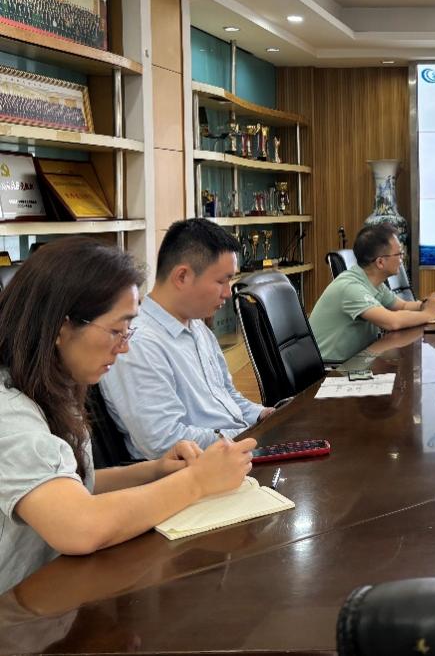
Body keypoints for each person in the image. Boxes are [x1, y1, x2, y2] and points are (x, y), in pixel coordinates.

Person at [0, 238, 255, 593]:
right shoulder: (9, 413)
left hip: (54, 592)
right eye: (116, 331)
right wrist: (197, 482)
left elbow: (69, 484)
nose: (125, 347)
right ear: (61, 327)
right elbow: (79, 525)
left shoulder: (53, 385)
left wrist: (154, 471)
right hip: (17, 610)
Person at [101, 219, 275, 459]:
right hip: (196, 468)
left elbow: (227, 398)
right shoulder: (139, 344)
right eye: (221, 281)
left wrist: (262, 416)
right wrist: (250, 436)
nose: (228, 292)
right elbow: (163, 441)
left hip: (231, 453)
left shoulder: (197, 327)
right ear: (182, 276)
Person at [309, 223, 435, 362]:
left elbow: (403, 306)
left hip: (357, 360)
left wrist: (427, 304)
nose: (402, 259)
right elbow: (393, 322)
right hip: (332, 368)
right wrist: (429, 313)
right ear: (380, 262)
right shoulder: (351, 287)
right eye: (399, 254)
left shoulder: (375, 283)